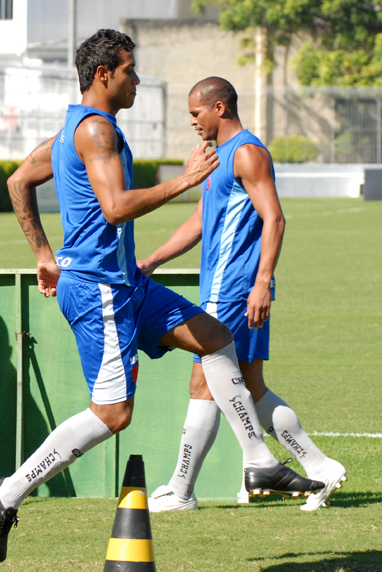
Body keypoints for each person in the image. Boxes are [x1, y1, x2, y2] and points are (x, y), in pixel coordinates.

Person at [0, 31, 324, 563]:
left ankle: (257, 461)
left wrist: (44, 254)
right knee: (113, 414)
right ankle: (8, 492)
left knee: (216, 338)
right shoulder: (96, 130)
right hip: (100, 290)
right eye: (130, 70)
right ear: (103, 75)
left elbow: (18, 181)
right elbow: (115, 207)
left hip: (126, 284)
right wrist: (185, 181)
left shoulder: (76, 129)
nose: (137, 79)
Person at [139, 76, 346, 514]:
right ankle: (320, 466)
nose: (192, 121)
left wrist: (262, 282)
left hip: (234, 290)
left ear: (219, 107)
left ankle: (181, 490)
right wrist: (151, 261)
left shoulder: (248, 152)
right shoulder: (216, 158)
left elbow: (275, 218)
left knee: (202, 384)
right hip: (231, 289)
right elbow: (200, 221)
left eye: (196, 113)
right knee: (251, 388)